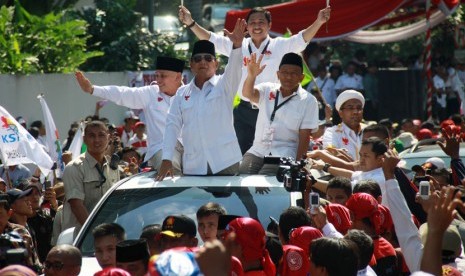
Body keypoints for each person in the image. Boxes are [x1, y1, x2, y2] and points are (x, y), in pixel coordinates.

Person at [178, 5, 331, 155]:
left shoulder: (279, 45)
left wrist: (319, 22)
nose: (256, 26)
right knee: (241, 155)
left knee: (269, 158)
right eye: (252, 22)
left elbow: (302, 38)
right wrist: (191, 23)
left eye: (261, 22)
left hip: (272, 109)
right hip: (244, 111)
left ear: (269, 25)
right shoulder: (238, 45)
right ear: (247, 26)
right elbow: (211, 39)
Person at [157, 23, 246, 178]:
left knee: (228, 203)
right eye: (197, 59)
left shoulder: (225, 85)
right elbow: (172, 126)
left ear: (216, 64)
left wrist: (237, 46)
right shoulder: (181, 93)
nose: (203, 62)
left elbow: (235, 67)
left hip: (225, 162)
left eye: (208, 58)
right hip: (194, 166)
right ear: (191, 65)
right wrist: (166, 158)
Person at [75, 55, 185, 169]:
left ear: (177, 77)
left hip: (191, 149)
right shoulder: (151, 93)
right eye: (157, 75)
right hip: (161, 148)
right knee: (169, 166)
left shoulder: (191, 94)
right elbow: (122, 93)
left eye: (163, 76)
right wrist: (92, 89)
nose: (158, 80)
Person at [239, 52, 318, 175]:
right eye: (285, 72)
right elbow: (247, 94)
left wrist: (298, 165)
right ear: (278, 74)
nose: (288, 77)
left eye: (293, 73)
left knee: (262, 182)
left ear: (301, 78)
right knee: (242, 177)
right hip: (258, 149)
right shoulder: (267, 89)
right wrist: (251, 76)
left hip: (284, 152)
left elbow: (305, 136)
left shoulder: (308, 100)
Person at [62, 121, 120, 230]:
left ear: (108, 138)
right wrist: (94, 234)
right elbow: (76, 206)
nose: (97, 140)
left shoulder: (113, 168)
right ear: (84, 139)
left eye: (101, 135)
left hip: (107, 234)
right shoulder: (74, 168)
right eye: (92, 136)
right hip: (81, 237)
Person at [322, 90, 366, 161]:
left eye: (359, 108)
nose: (355, 112)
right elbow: (331, 155)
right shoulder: (332, 132)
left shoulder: (369, 130)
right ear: (340, 113)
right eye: (350, 108)